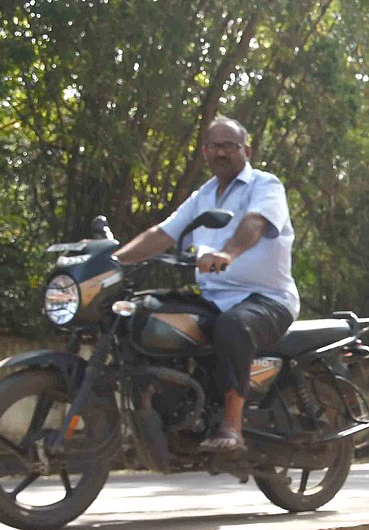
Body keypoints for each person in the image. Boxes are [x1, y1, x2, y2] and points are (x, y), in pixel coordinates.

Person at [113, 116, 299, 451]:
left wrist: (228, 252)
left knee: (232, 327)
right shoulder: (204, 195)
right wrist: (114, 262)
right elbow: (162, 234)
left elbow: (255, 223)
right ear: (204, 152)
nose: (221, 153)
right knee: (148, 312)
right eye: (214, 146)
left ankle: (232, 426)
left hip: (267, 299)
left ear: (247, 150)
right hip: (213, 297)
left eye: (229, 146)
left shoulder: (265, 185)